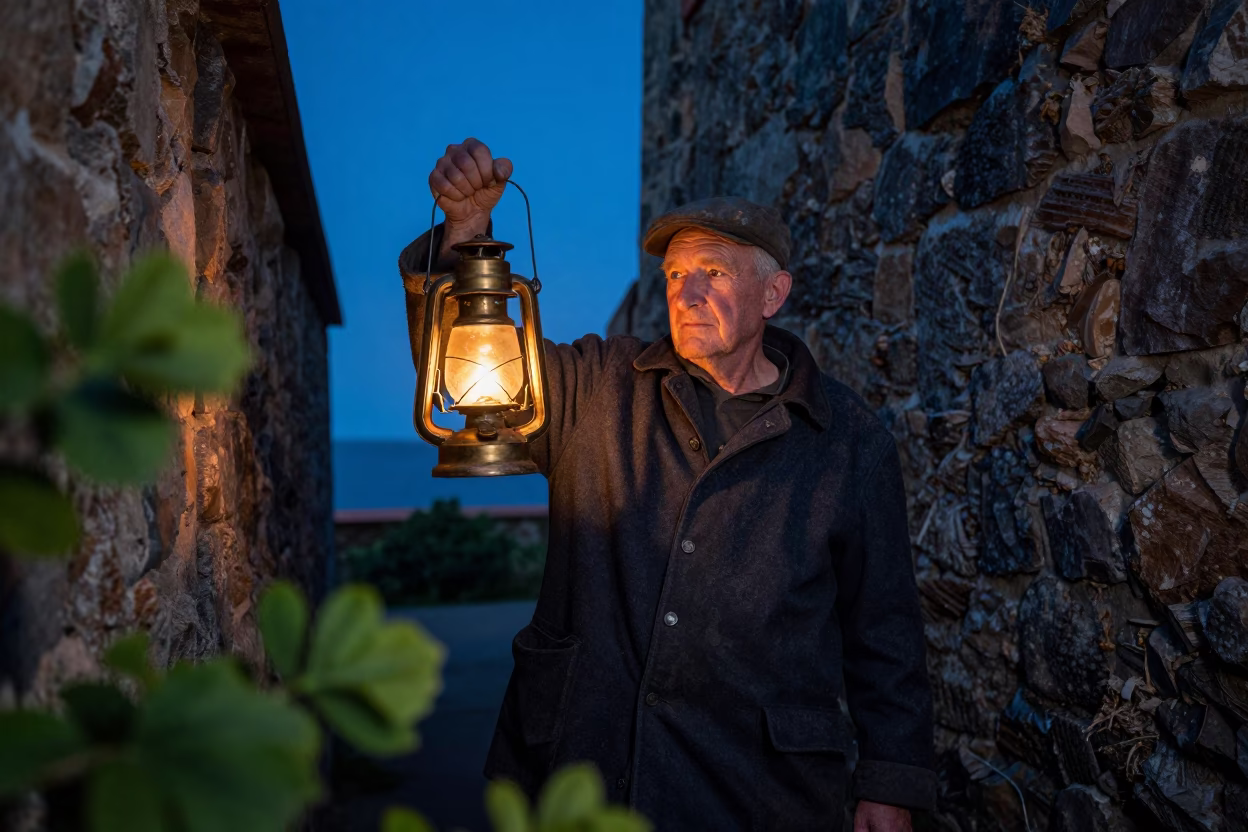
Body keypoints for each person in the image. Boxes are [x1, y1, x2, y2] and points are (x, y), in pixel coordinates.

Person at [399, 138, 935, 832]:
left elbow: (884, 627)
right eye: (676, 274)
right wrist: (466, 235)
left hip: (758, 792)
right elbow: (472, 378)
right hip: (579, 774)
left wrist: (889, 784)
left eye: (713, 271)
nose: (687, 292)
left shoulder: (848, 442)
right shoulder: (598, 385)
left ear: (774, 293)